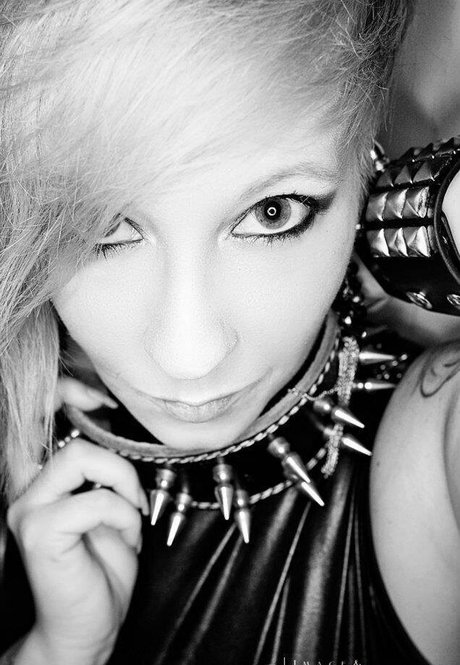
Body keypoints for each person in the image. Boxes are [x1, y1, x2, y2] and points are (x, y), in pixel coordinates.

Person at [0, 1, 457, 664]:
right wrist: (58, 651)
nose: (190, 356)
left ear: (369, 172)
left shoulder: (434, 446)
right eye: (101, 224)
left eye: (273, 212)